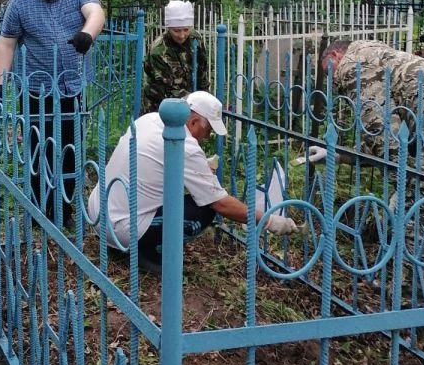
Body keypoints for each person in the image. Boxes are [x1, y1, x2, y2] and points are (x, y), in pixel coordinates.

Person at [87, 91, 297, 275]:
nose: (207, 138)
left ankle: (136, 243)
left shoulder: (150, 119)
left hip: (98, 213)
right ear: (193, 122)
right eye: (208, 131)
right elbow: (220, 203)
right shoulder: (186, 146)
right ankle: (149, 252)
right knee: (205, 209)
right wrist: (268, 221)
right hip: (122, 229)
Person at [0, 0, 105, 225]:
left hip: (72, 87)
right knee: (37, 151)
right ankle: (38, 212)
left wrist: (87, 34)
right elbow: (7, 42)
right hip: (35, 89)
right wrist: (0, 81)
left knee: (69, 151)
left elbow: (95, 12)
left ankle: (64, 212)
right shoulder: (20, 2)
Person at [321, 39, 424, 265]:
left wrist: (401, 187)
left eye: (328, 72)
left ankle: (409, 293)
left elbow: (379, 131)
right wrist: (339, 155)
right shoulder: (374, 51)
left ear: (335, 55)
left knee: (421, 211)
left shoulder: (351, 65)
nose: (331, 82)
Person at [142, 0, 208, 114]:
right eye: (176, 31)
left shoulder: (195, 39)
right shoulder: (158, 51)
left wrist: (206, 99)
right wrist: (197, 104)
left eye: (186, 30)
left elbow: (202, 72)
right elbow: (169, 89)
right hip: (160, 105)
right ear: (168, 28)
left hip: (190, 102)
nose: (182, 35)